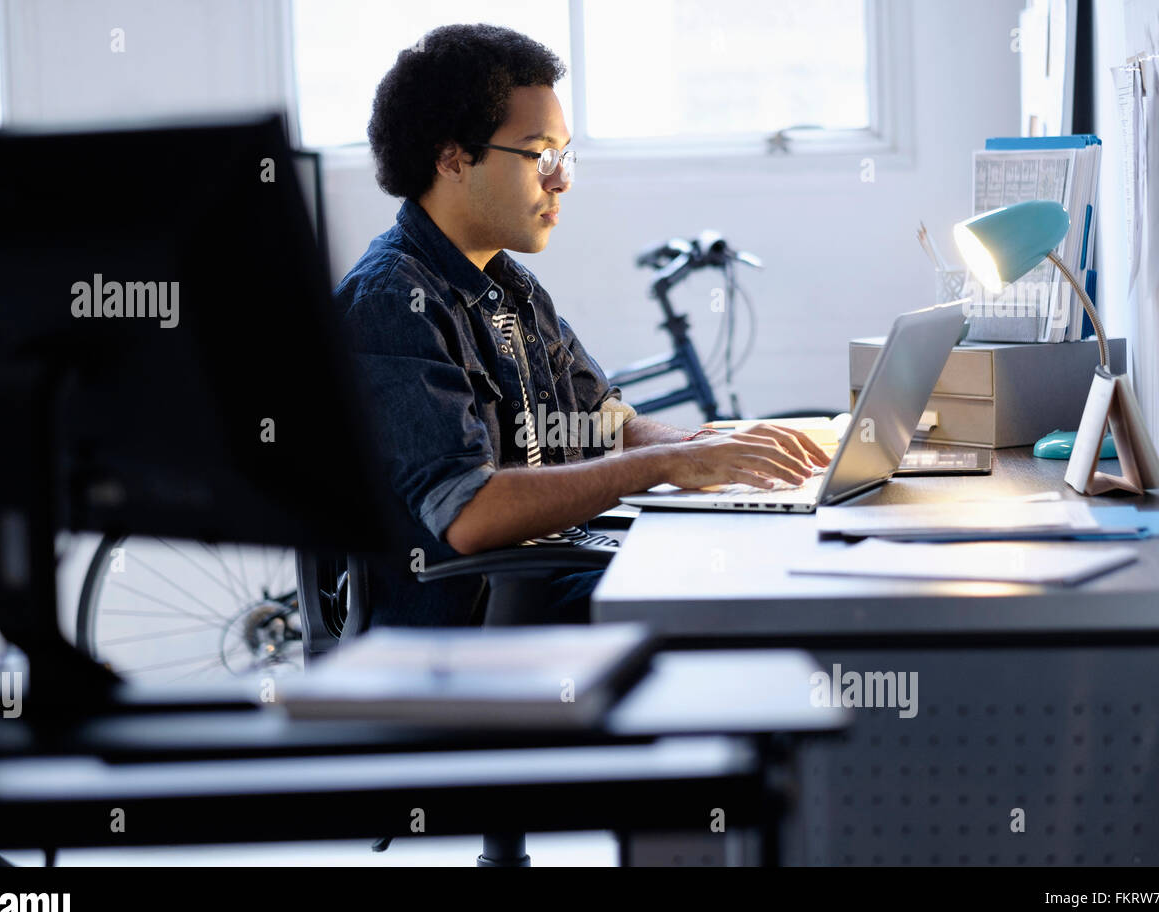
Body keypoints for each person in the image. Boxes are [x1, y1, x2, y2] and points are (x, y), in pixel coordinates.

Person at [334, 23, 828, 627]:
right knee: (742, 601)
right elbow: (471, 515)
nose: (561, 177)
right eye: (539, 154)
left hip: (549, 579)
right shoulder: (392, 303)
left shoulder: (511, 287)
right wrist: (664, 466)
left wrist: (706, 447)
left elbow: (603, 425)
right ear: (451, 157)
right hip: (475, 626)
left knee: (766, 563)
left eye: (564, 155)